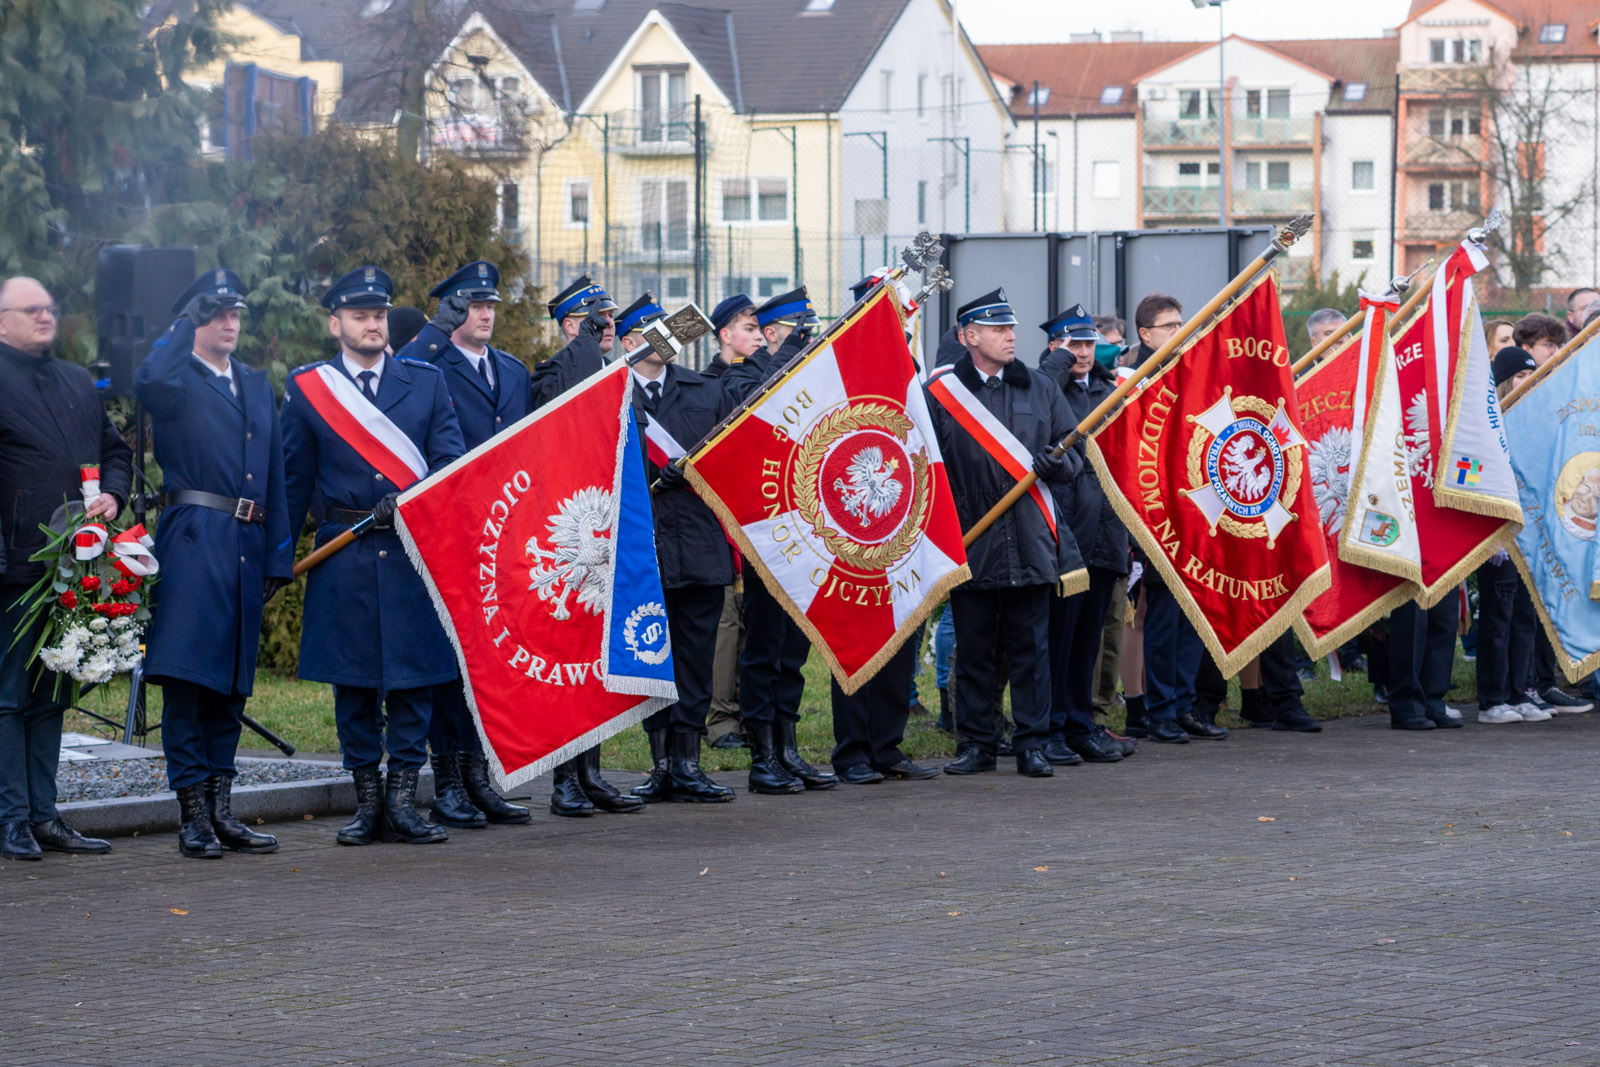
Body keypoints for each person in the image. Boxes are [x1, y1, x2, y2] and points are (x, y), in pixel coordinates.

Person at [282, 265, 466, 845]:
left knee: (414, 684)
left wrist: (413, 501)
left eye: (379, 315)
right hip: (344, 552)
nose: (372, 325)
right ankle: (367, 805)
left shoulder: (426, 382)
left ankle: (404, 804)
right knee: (354, 685)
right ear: (335, 323)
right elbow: (293, 481)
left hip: (413, 551)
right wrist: (276, 558)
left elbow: (451, 465)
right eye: (360, 316)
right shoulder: (310, 389)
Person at [135, 269, 291, 858]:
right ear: (196, 321)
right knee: (187, 683)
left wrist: (278, 553)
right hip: (195, 537)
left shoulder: (253, 382)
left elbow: (275, 470)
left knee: (230, 686)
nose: (229, 324)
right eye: (217, 314)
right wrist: (182, 319)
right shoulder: (175, 380)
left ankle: (223, 810)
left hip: (247, 544)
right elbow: (146, 379)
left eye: (235, 314)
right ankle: (193, 815)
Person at [396, 260, 534, 827]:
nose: (484, 315)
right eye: (472, 305)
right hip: (453, 529)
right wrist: (434, 328)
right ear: (451, 310)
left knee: (490, 657)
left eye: (490, 306)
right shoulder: (429, 363)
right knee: (451, 662)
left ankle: (480, 776)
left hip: (501, 533)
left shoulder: (513, 371)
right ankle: (449, 780)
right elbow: (403, 376)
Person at [0, 276, 131, 861]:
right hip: (11, 565)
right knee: (7, 698)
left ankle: (46, 817)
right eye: (31, 310)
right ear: (2, 320)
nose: (45, 317)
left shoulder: (79, 380)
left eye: (50, 307)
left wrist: (115, 498)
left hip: (73, 571)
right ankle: (11, 820)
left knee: (52, 692)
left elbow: (115, 453)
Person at [926, 288, 1081, 779]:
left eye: (1011, 328)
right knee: (974, 650)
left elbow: (1075, 457)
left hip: (1031, 537)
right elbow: (927, 467)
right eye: (998, 329)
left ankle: (1032, 742)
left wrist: (1056, 465)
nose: (1010, 336)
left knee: (1030, 650)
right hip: (974, 540)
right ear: (969, 336)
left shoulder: (1041, 388)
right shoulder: (943, 396)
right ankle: (977, 743)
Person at [612, 292, 736, 805]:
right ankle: (660, 762)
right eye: (652, 331)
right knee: (651, 655)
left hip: (700, 541)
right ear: (629, 342)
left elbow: (732, 460)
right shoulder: (611, 394)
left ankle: (688, 762)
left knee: (695, 656)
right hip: (645, 550)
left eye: (672, 329)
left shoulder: (705, 391)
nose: (667, 339)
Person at [526, 274, 642, 815]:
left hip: (608, 527)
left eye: (611, 318)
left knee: (596, 658)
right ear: (572, 325)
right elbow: (550, 418)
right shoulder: (556, 370)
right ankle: (562, 779)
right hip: (567, 535)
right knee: (566, 656)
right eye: (598, 319)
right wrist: (579, 345)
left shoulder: (616, 374)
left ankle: (590, 771)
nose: (609, 327)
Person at [718, 290, 838, 794]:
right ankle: (762, 753)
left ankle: (787, 748)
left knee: (792, 649)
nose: (807, 338)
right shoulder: (739, 375)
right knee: (764, 646)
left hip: (804, 529)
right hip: (766, 531)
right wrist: (789, 356)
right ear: (771, 334)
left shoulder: (802, 371)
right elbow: (756, 408)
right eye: (797, 330)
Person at [819, 283, 938, 785]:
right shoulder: (832, 366)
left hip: (900, 520)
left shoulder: (907, 373)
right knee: (856, 638)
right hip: (848, 526)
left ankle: (887, 745)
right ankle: (852, 751)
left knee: (900, 634)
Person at [1037, 304, 1135, 762]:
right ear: (1054, 346)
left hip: (1105, 531)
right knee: (1056, 639)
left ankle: (1080, 724)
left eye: (1088, 342)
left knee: (1088, 640)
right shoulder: (1044, 387)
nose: (1082, 352)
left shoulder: (1110, 391)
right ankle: (1050, 727)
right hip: (1064, 535)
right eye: (1072, 343)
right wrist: (1054, 368)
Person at [1475, 347, 1548, 725]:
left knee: (1525, 619)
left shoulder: (1534, 422)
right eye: (1520, 376)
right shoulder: (1488, 425)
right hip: (1500, 539)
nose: (1527, 382)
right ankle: (1492, 698)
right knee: (1497, 618)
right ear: (1504, 381)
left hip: (1531, 539)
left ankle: (1520, 692)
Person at [529, 273, 618, 407]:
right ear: (570, 326)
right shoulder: (549, 374)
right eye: (599, 316)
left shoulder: (618, 372)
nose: (610, 323)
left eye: (611, 316)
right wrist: (587, 342)